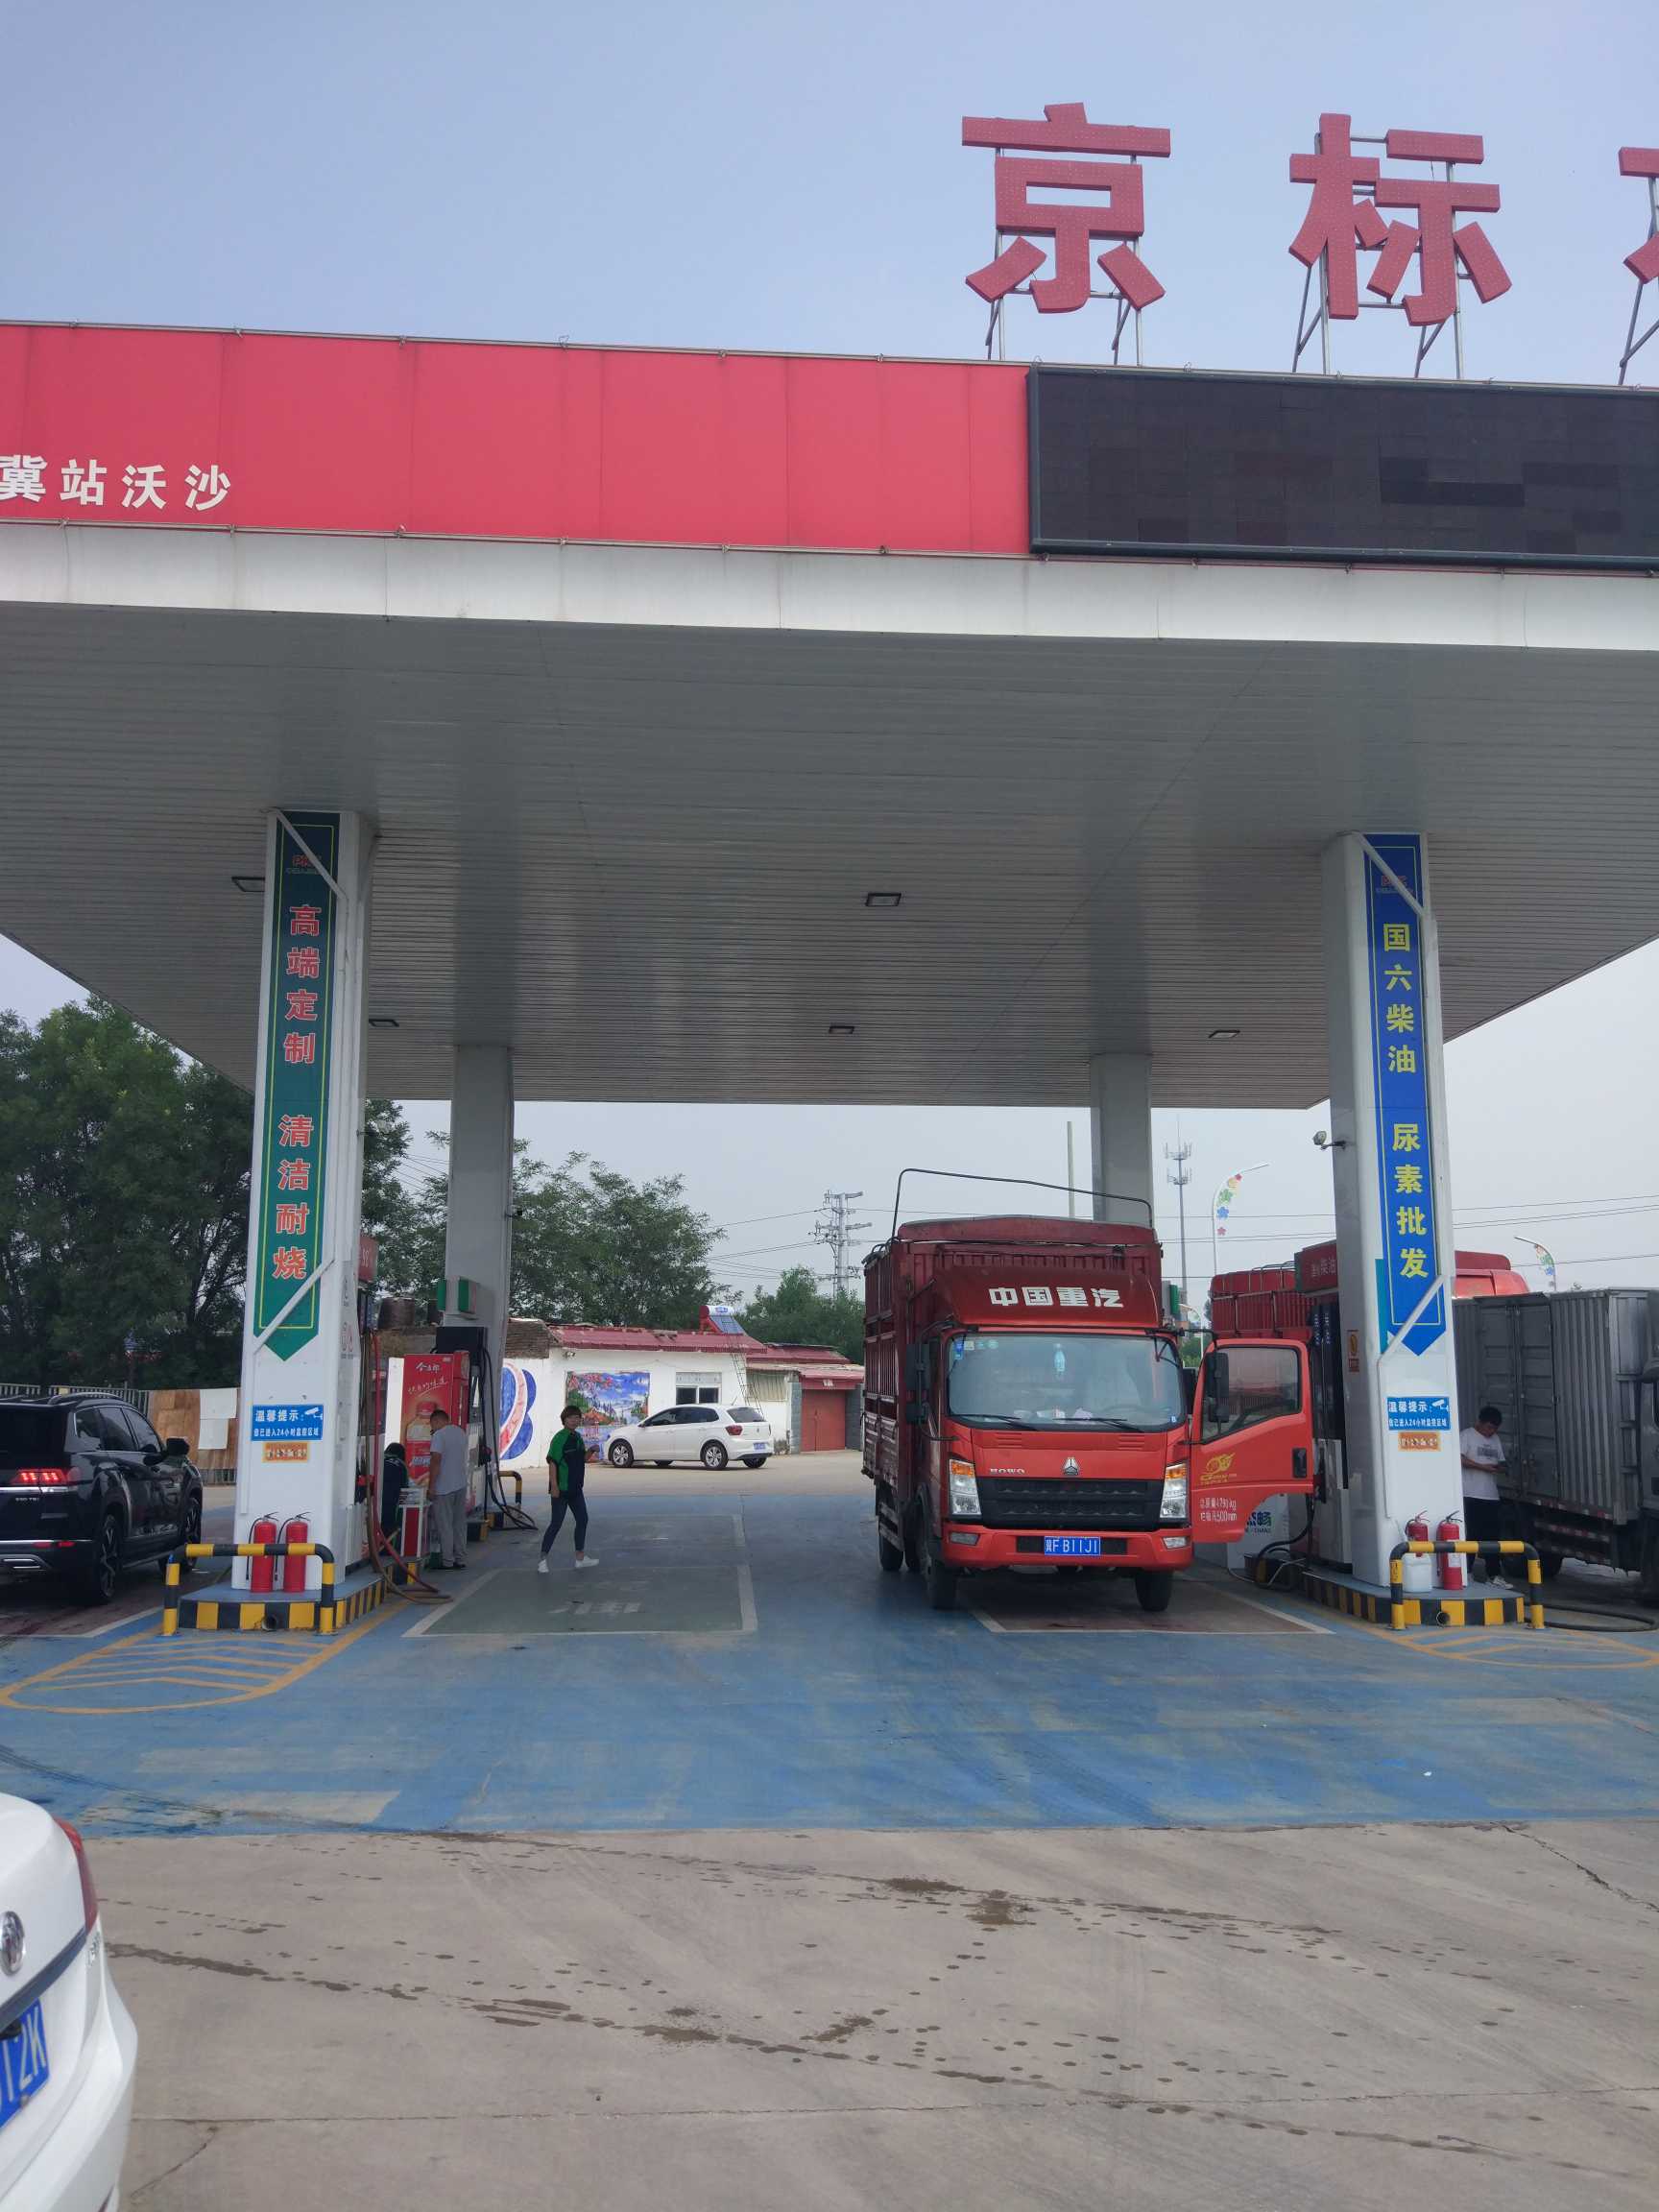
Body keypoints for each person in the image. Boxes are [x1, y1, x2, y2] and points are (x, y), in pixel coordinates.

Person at [539, 1405, 597, 1573]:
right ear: (564, 1420)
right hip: (561, 1489)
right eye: (571, 1418)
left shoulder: (577, 1437)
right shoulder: (559, 1438)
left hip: (576, 1489)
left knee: (583, 1520)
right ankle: (542, 1560)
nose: (574, 1420)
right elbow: (552, 1463)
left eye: (577, 1417)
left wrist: (591, 1451)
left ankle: (580, 1559)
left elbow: (582, 1459)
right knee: (556, 1523)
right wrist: (554, 1486)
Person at [1459, 1404, 1506, 1576]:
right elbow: (1460, 1459)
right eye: (1488, 1427)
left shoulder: (1495, 1439)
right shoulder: (1467, 1435)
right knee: (1471, 1533)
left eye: (1494, 1429)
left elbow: (1501, 1461)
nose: (1491, 1432)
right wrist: (1482, 1467)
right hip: (1470, 1494)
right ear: (1479, 1422)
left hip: (1491, 1495)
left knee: (1492, 1536)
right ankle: (1467, 1571)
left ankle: (1494, 1574)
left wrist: (1500, 1468)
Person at [426, 1405, 469, 1572]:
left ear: (437, 1421)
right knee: (459, 1524)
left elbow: (435, 1462)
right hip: (461, 1485)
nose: (432, 1429)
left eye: (432, 1425)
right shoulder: (460, 1432)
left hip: (444, 1487)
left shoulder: (439, 1435)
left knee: (445, 1525)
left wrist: (431, 1487)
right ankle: (461, 1559)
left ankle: (447, 1561)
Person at [378, 1438, 408, 1548]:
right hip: (392, 1499)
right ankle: (386, 1550)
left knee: (377, 1523)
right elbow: (405, 1489)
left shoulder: (380, 1459)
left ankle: (375, 1548)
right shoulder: (401, 1465)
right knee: (389, 1525)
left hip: (376, 1497)